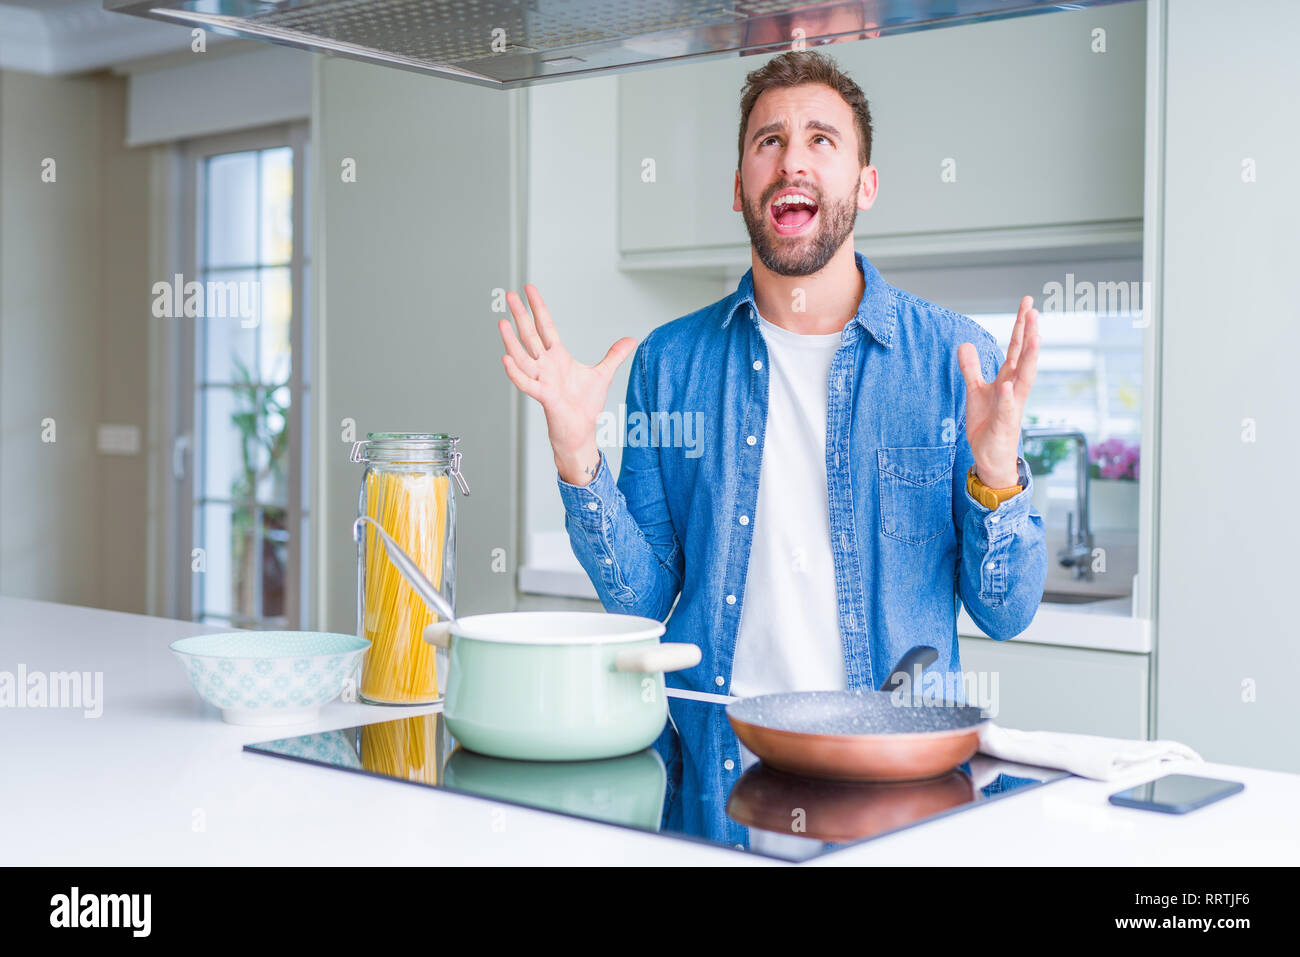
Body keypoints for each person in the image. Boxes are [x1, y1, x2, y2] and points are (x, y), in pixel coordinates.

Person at [497, 49, 1047, 843]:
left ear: (865, 183)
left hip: (891, 796)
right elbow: (644, 605)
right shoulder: (670, 363)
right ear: (738, 187)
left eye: (823, 139)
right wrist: (578, 453)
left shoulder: (954, 361)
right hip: (715, 788)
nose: (793, 159)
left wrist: (996, 471)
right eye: (768, 141)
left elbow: (1009, 611)